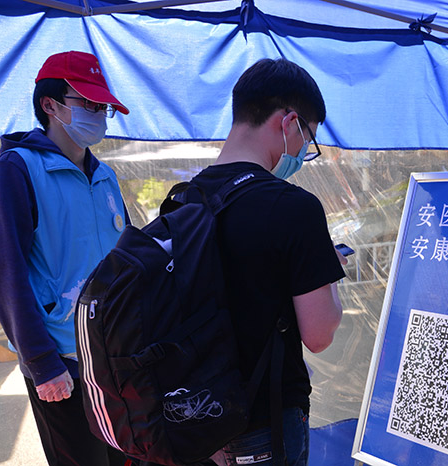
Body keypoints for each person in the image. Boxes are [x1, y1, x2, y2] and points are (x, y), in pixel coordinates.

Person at [146, 58, 346, 466]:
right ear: (289, 122)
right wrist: (330, 275)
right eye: (308, 138)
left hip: (195, 421)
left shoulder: (182, 200)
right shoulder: (294, 207)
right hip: (264, 423)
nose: (303, 152)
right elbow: (319, 334)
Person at [0, 50, 131, 466]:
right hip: (62, 360)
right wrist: (41, 362)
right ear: (50, 105)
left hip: (114, 355)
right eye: (88, 103)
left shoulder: (105, 175)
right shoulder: (17, 169)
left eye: (103, 107)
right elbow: (4, 273)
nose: (98, 115)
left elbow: (126, 262)